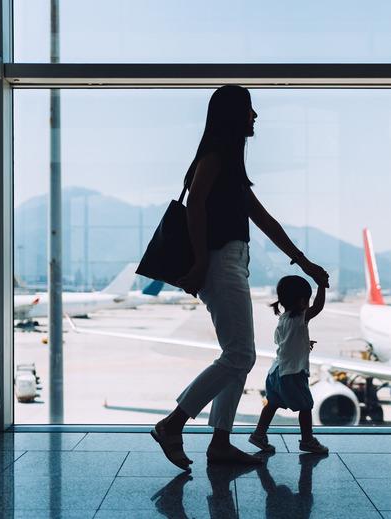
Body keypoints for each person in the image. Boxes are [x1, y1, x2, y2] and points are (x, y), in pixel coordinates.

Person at [151, 85, 329, 472]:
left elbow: (265, 220)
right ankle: (172, 424)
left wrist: (304, 263)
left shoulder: (229, 163)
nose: (256, 116)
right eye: (250, 109)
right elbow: (195, 203)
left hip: (231, 261)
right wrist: (199, 262)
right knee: (240, 355)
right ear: (234, 114)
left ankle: (219, 444)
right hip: (219, 261)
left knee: (238, 356)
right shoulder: (215, 155)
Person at [248, 275, 329, 454]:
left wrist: (303, 341)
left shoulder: (283, 319)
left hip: (276, 371)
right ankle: (307, 440)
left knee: (272, 403)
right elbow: (319, 307)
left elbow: (282, 341)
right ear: (302, 302)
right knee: (306, 406)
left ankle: (258, 434)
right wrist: (321, 286)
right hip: (293, 372)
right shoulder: (301, 317)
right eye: (307, 299)